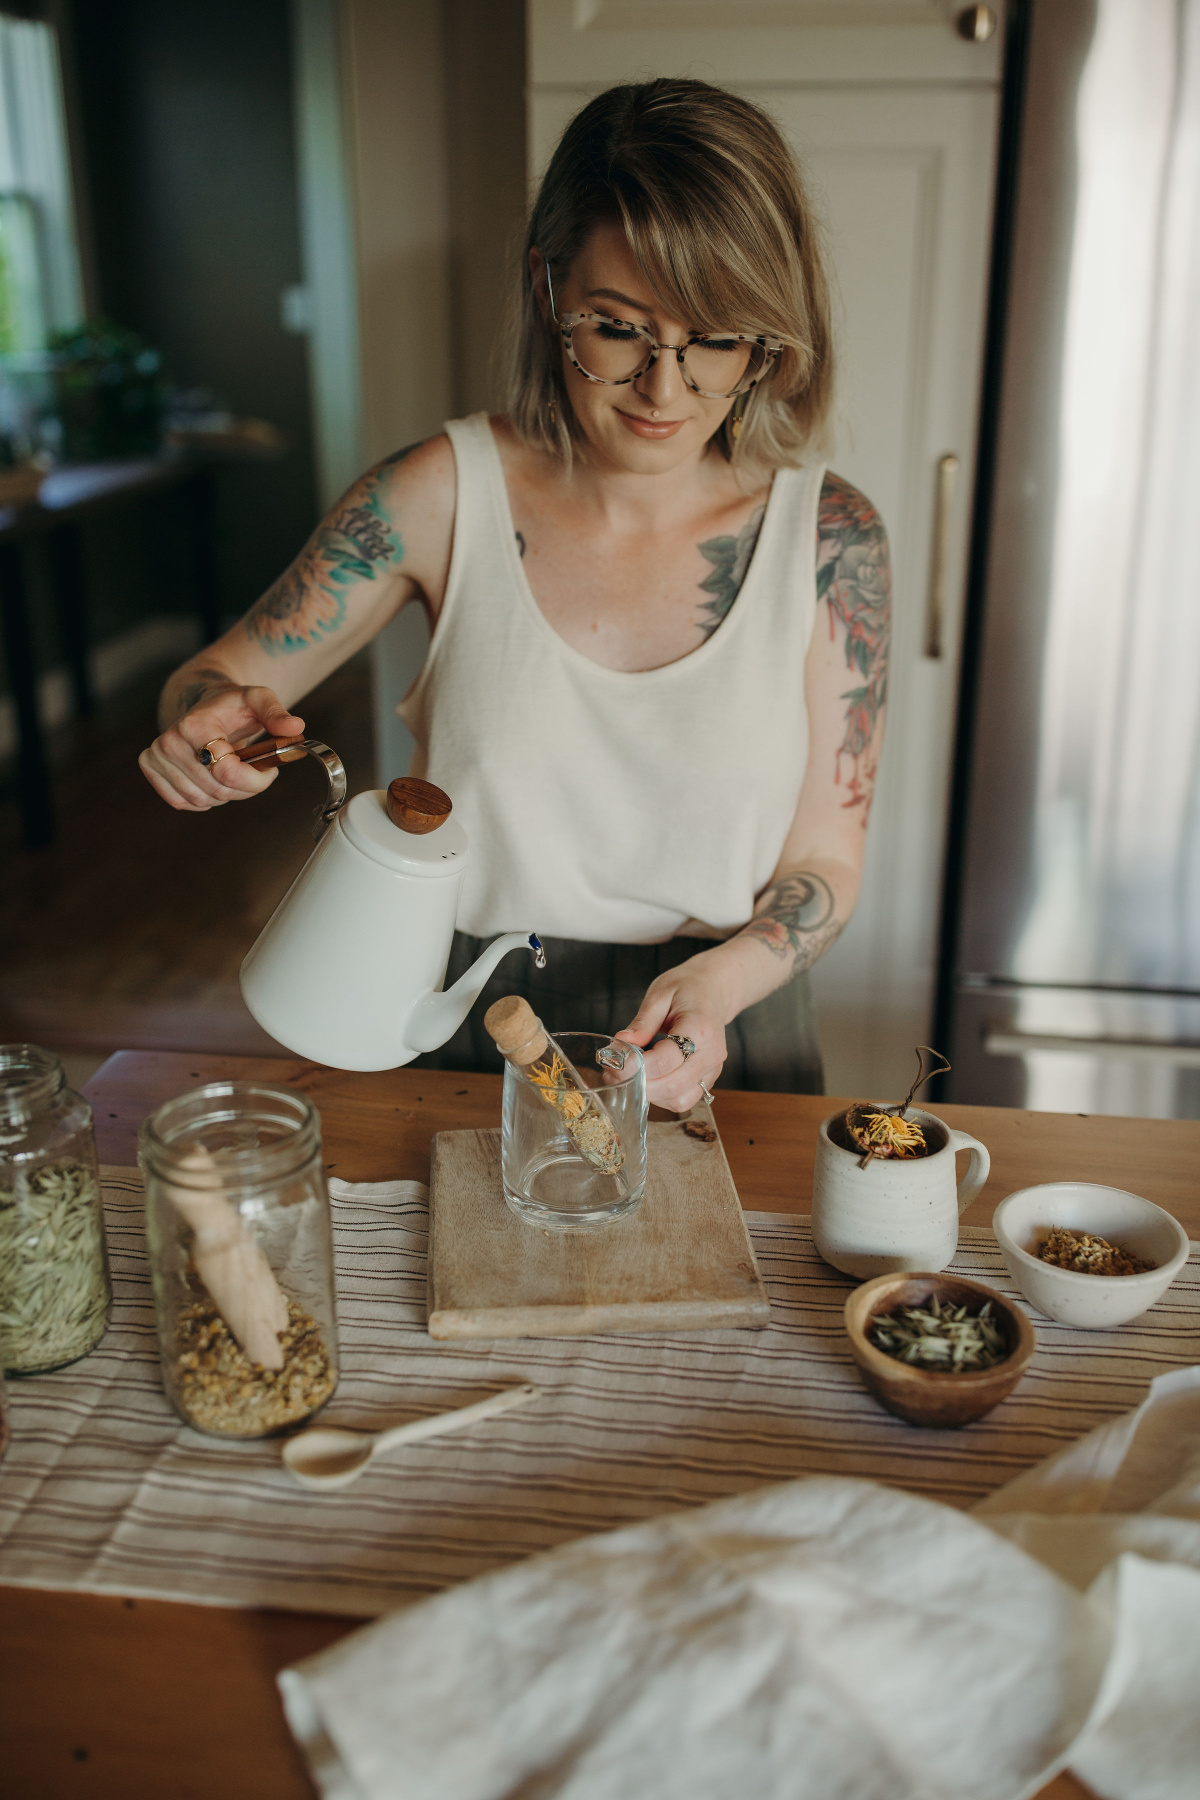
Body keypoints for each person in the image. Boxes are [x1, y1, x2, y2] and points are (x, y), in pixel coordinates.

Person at [139, 78, 891, 1114]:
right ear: (547, 292)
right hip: (463, 1018)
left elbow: (823, 864)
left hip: (723, 1030)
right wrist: (201, 728)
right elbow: (216, 678)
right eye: (618, 329)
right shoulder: (438, 496)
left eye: (717, 339)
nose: (665, 393)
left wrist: (722, 984)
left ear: (770, 336)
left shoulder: (832, 541)